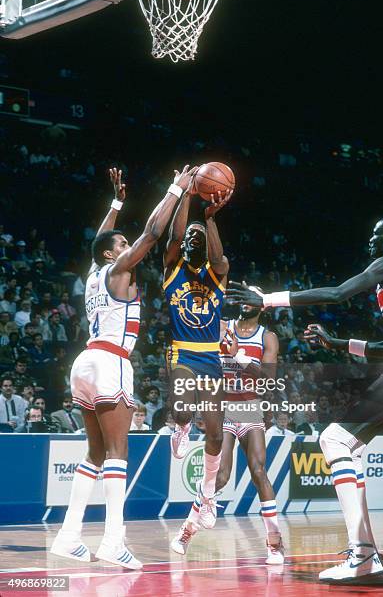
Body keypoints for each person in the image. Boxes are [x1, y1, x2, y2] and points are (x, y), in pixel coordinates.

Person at [227, 215, 383, 585]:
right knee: (349, 445)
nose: (371, 242)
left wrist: (267, 300)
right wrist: (337, 344)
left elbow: (337, 293)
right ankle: (365, 557)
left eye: (376, 235)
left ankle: (362, 557)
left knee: (335, 439)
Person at [50, 165, 195, 569]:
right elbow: (152, 233)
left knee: (95, 452)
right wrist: (173, 189)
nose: (130, 245)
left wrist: (115, 203)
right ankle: (114, 540)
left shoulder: (95, 271)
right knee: (117, 452)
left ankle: (68, 535)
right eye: (123, 243)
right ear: (114, 253)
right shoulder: (116, 269)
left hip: (86, 361)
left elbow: (100, 239)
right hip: (111, 359)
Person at [171, 290, 284, 564]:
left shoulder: (267, 337)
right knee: (219, 477)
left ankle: (275, 543)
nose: (245, 301)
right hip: (222, 408)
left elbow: (269, 379)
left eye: (251, 298)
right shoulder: (222, 326)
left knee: (259, 472)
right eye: (243, 297)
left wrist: (239, 356)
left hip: (251, 407)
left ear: (262, 306)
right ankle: (187, 530)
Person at [163, 182, 232, 530]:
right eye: (190, 236)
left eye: (198, 238)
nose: (192, 240)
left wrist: (209, 220)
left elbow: (219, 259)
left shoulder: (217, 274)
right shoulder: (172, 269)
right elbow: (174, 239)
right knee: (182, 408)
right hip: (182, 351)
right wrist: (188, 200)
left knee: (217, 434)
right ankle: (182, 425)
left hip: (210, 358)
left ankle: (207, 497)